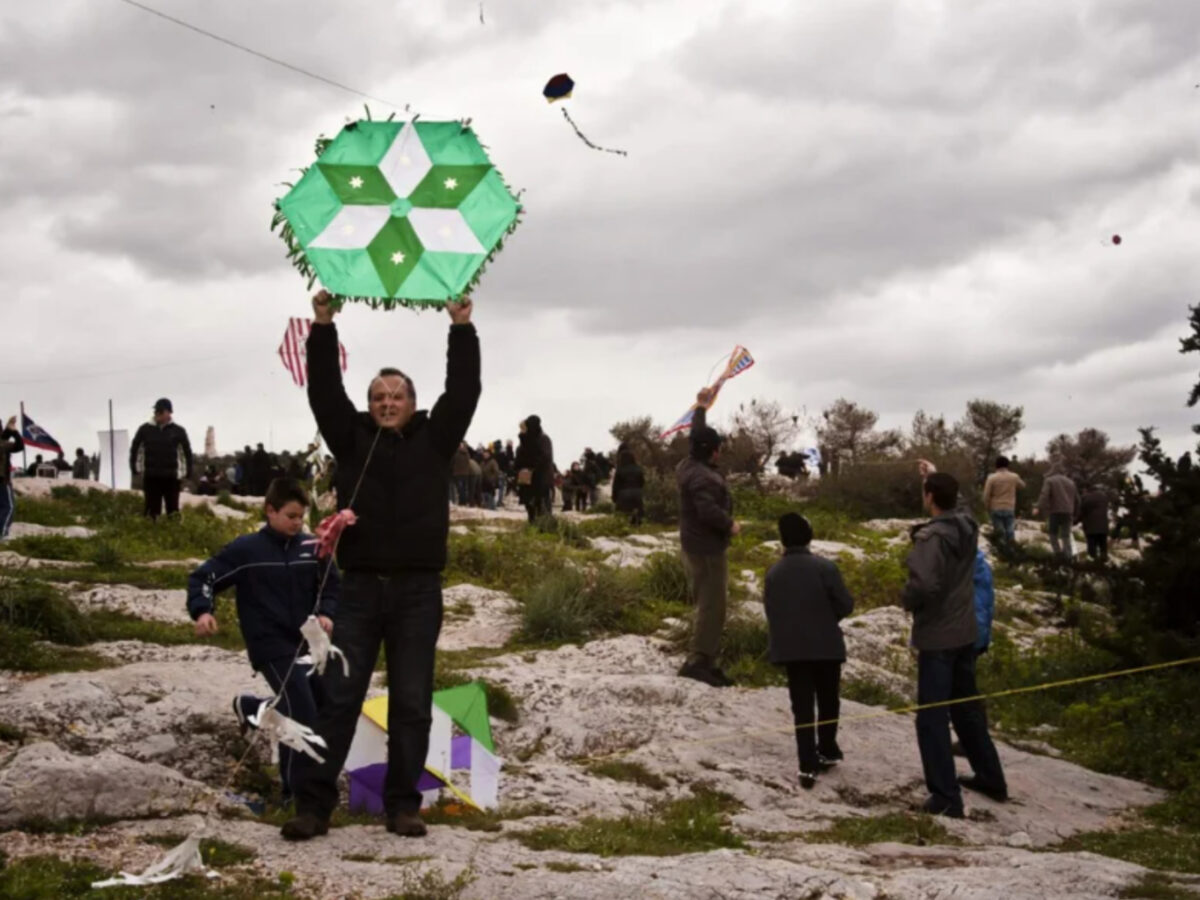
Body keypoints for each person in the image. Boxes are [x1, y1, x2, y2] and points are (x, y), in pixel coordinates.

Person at [282, 289, 479, 842]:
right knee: (341, 699)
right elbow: (324, 390)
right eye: (378, 397)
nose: (387, 403)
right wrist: (322, 326)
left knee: (412, 702)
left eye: (396, 396)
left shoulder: (437, 440)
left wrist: (461, 328)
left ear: (414, 402)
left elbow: (464, 390)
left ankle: (403, 805)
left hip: (419, 590)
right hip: (361, 590)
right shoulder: (350, 440)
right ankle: (314, 807)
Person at [188, 478, 339, 803]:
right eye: (291, 516)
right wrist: (202, 611)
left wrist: (327, 611)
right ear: (270, 511)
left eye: (302, 517)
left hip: (307, 644)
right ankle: (296, 795)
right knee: (302, 710)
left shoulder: (313, 548)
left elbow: (331, 585)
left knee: (318, 706)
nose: (298, 523)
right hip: (269, 644)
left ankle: (254, 708)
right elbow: (204, 577)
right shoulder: (246, 550)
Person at [903, 466, 1007, 818]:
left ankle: (946, 797)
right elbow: (960, 504)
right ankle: (991, 777)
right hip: (965, 632)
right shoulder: (968, 525)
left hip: (939, 637)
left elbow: (924, 585)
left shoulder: (932, 538)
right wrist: (936, 474)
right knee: (966, 708)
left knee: (931, 718)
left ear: (929, 497)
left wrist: (906, 598)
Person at [764, 513, 854, 789]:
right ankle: (827, 748)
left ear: (782, 540)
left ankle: (807, 765)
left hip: (793, 651)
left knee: (802, 707)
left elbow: (771, 611)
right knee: (829, 700)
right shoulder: (825, 568)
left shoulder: (774, 573)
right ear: (810, 536)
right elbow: (845, 605)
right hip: (826, 645)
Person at [676, 389, 739, 687]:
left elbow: (696, 436)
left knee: (707, 600)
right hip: (707, 547)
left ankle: (704, 657)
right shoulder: (702, 476)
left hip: (694, 543)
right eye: (718, 448)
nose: (720, 451)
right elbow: (707, 510)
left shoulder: (688, 464)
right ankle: (699, 661)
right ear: (712, 450)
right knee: (713, 604)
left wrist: (701, 408)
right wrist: (730, 525)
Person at [130, 398, 193, 520]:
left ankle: (175, 535)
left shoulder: (179, 431)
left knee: (173, 511)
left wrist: (187, 472)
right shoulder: (144, 430)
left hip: (171, 478)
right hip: (151, 477)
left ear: (169, 412)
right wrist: (135, 468)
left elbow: (185, 453)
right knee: (151, 512)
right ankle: (150, 534)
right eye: (156, 411)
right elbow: (136, 450)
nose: (157, 413)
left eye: (160, 411)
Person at [1034, 464, 1079, 559]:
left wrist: (1038, 507)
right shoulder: (1071, 482)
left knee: (1053, 534)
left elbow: (1044, 495)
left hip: (1055, 511)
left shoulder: (1050, 480)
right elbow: (1077, 500)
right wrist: (1075, 513)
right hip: (1068, 512)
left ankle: (1058, 554)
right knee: (1066, 535)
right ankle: (1068, 556)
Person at [980, 456, 1024, 546]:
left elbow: (986, 495)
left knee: (1000, 533)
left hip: (995, 507)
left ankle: (1002, 551)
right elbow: (1022, 485)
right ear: (1007, 465)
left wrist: (986, 506)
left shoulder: (992, 478)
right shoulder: (1014, 477)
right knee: (1010, 530)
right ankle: (1012, 550)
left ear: (996, 466)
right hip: (1009, 507)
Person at [0, 416, 23, 540]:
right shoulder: (3, 444)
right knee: (9, 507)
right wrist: (14, 431)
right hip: (2, 481)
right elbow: (19, 446)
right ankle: (2, 534)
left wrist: (8, 430)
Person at [611, 448, 646, 526]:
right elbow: (642, 482)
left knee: (623, 513)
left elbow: (616, 485)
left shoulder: (620, 469)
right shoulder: (638, 468)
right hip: (637, 492)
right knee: (637, 511)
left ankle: (625, 526)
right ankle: (637, 524)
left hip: (624, 493)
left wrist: (614, 497)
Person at [1078, 484, 1110, 561]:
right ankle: (1104, 560)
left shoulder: (1086, 497)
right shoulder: (1104, 496)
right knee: (1103, 544)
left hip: (1091, 526)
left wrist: (1075, 522)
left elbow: (1082, 511)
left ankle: (1093, 562)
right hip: (1103, 525)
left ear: (1088, 490)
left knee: (1092, 545)